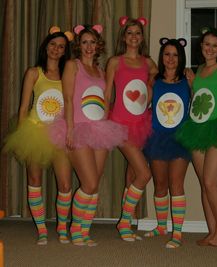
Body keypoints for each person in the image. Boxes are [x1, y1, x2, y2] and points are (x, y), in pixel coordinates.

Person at [49, 24, 127, 246]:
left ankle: (84, 230)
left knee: (95, 185)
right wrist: (71, 129)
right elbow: (68, 96)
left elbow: (104, 100)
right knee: (89, 183)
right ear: (78, 46)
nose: (89, 46)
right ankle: (75, 228)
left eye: (92, 42)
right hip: (78, 128)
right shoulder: (73, 66)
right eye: (84, 42)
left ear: (98, 45)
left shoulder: (101, 72)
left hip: (100, 129)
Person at [3, 26, 73, 245]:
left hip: (59, 132)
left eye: (61, 46)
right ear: (46, 46)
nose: (56, 49)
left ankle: (62, 227)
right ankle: (42, 228)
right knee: (34, 180)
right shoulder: (34, 72)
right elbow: (24, 108)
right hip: (35, 130)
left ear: (65, 51)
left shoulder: (68, 74)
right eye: (53, 44)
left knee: (65, 184)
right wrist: (22, 136)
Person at [176, 27, 217, 247]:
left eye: (215, 45)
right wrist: (192, 84)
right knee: (204, 184)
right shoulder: (198, 69)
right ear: (201, 47)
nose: (210, 48)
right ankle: (212, 232)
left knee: (211, 182)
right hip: (197, 127)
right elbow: (200, 99)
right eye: (206, 44)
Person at [105, 16, 158, 242]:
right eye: (130, 33)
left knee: (133, 173)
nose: (134, 37)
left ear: (142, 37)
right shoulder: (115, 61)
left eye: (138, 33)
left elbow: (157, 81)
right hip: (120, 123)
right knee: (145, 173)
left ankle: (129, 223)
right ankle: (124, 222)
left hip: (141, 122)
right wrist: (102, 120)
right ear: (124, 37)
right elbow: (107, 93)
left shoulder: (149, 62)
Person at [143, 38, 192, 248]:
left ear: (180, 58)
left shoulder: (189, 78)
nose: (171, 59)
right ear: (161, 57)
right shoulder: (154, 80)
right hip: (157, 137)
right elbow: (143, 104)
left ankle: (177, 233)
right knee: (160, 185)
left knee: (176, 184)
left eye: (175, 55)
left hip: (181, 138)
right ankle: (162, 225)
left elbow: (205, 98)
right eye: (166, 54)